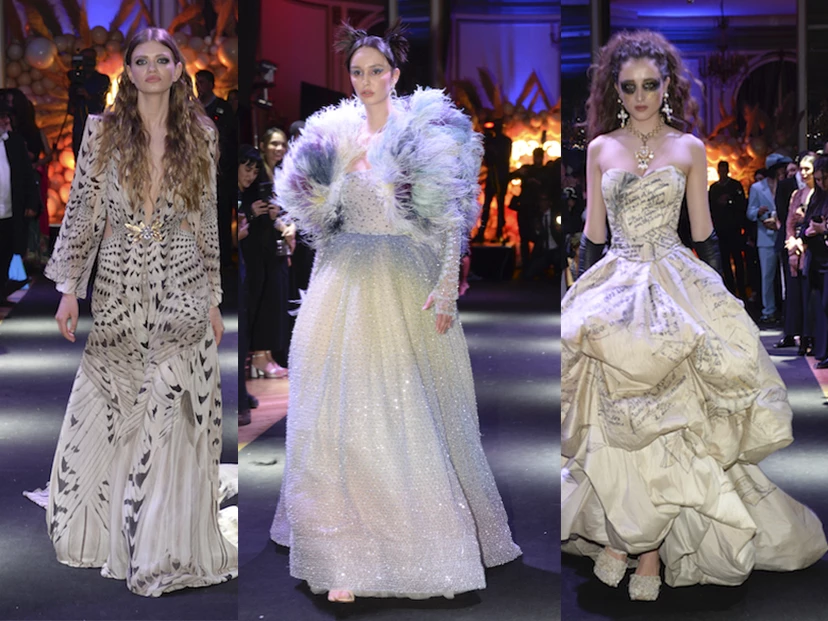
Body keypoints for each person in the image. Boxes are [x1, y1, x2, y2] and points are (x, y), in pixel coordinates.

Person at [561, 29, 827, 602]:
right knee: (617, 416)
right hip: (617, 286)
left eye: (649, 85)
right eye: (628, 87)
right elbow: (593, 231)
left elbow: (703, 230)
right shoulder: (601, 148)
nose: (639, 96)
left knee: (674, 416)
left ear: (667, 87)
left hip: (672, 284)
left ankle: (649, 549)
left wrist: (722, 299)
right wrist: (579, 287)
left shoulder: (688, 148)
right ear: (615, 91)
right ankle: (625, 533)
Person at [271, 21, 521, 603]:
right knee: (334, 414)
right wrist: (314, 285)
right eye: (357, 72)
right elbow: (324, 226)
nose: (366, 81)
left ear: (395, 75)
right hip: (340, 281)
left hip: (403, 278)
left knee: (401, 406)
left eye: (376, 71)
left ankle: (418, 542)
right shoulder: (331, 136)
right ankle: (341, 552)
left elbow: (450, 218)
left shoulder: (422, 133)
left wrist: (447, 286)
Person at [43, 27, 237, 596]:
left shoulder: (202, 134)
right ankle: (117, 527)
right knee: (121, 399)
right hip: (120, 280)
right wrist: (70, 288)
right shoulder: (101, 132)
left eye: (162, 60)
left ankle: (162, 537)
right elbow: (83, 210)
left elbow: (206, 219)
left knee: (174, 400)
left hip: (182, 277)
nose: (152, 69)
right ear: (127, 71)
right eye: (142, 60)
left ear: (178, 69)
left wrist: (213, 298)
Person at [0, 101, 41, 303]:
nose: (6, 121)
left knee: (7, 250)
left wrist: (32, 202)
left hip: (10, 209)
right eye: (2, 117)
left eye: (6, 117)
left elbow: (26, 174)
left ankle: (1, 290)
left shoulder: (15, 142)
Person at [747, 152, 794, 326]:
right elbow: (750, 212)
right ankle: (769, 311)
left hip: (783, 234)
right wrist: (758, 212)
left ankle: (787, 309)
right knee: (767, 276)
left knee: (786, 275)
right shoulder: (757, 188)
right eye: (780, 168)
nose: (782, 171)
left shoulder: (787, 184)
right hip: (766, 237)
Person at [778, 153, 816, 355]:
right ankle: (800, 336)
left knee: (811, 295)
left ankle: (813, 338)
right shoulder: (796, 195)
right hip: (796, 251)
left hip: (813, 248)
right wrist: (792, 242)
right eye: (801, 169)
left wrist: (804, 241)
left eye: (807, 169)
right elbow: (789, 222)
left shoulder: (820, 194)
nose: (803, 173)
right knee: (797, 295)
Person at [708, 160, 747, 298]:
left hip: (734, 230)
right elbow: (710, 208)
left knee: (738, 260)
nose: (722, 173)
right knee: (725, 261)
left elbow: (742, 205)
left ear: (728, 171)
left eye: (724, 170)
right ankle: (730, 289)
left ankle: (742, 290)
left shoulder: (735, 186)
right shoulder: (714, 189)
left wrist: (730, 201)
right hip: (721, 230)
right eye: (720, 171)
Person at [67, 48, 109, 159]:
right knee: (79, 156)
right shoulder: (76, 80)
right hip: (79, 126)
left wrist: (87, 95)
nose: (88, 62)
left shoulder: (102, 79)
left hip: (95, 125)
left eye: (91, 58)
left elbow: (100, 101)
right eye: (85, 59)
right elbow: (71, 106)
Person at [475, 118, 512, 243]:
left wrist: (492, 148)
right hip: (492, 177)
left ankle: (500, 233)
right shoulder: (492, 141)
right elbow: (487, 160)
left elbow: (503, 158)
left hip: (500, 177)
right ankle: (481, 232)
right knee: (486, 206)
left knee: (500, 206)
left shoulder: (506, 142)